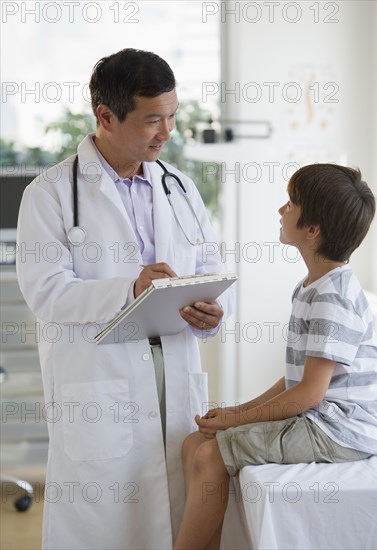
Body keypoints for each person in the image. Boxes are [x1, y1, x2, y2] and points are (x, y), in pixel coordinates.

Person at [16, 48, 234, 550]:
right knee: (103, 526)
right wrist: (131, 289)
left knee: (176, 515)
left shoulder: (179, 187)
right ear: (106, 117)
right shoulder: (49, 194)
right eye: (153, 119)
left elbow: (208, 268)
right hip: (101, 385)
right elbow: (47, 292)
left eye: (173, 116)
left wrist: (213, 312)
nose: (168, 132)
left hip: (173, 376)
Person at [174, 164, 377, 550]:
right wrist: (236, 410)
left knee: (210, 456)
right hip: (320, 417)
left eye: (291, 203)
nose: (280, 210)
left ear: (312, 230)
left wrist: (236, 419)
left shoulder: (331, 297)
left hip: (339, 430)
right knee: (194, 443)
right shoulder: (311, 287)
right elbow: (295, 383)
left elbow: (309, 395)